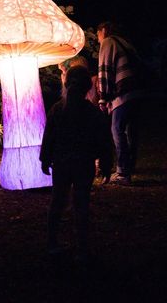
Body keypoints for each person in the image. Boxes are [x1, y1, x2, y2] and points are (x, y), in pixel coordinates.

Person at [41, 66, 114, 261]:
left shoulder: (57, 109)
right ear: (88, 87)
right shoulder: (92, 113)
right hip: (84, 164)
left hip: (62, 163)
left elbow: (49, 137)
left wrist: (45, 158)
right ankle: (82, 248)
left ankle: (52, 243)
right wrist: (106, 164)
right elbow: (104, 141)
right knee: (81, 204)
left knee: (57, 201)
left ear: (67, 83)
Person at [96, 21, 145, 185]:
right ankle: (129, 166)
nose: (98, 40)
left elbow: (105, 68)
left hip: (123, 94)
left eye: (98, 35)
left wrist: (103, 97)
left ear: (103, 31)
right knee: (131, 131)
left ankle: (123, 171)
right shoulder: (126, 44)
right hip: (136, 92)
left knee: (117, 129)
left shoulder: (108, 42)